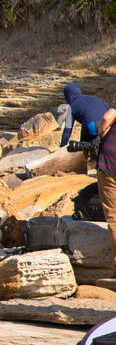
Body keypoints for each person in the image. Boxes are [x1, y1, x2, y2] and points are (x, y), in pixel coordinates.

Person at [59, 83, 116, 266]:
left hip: (105, 151)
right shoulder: (94, 99)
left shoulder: (72, 106)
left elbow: (68, 129)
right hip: (104, 133)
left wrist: (62, 148)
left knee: (114, 215)